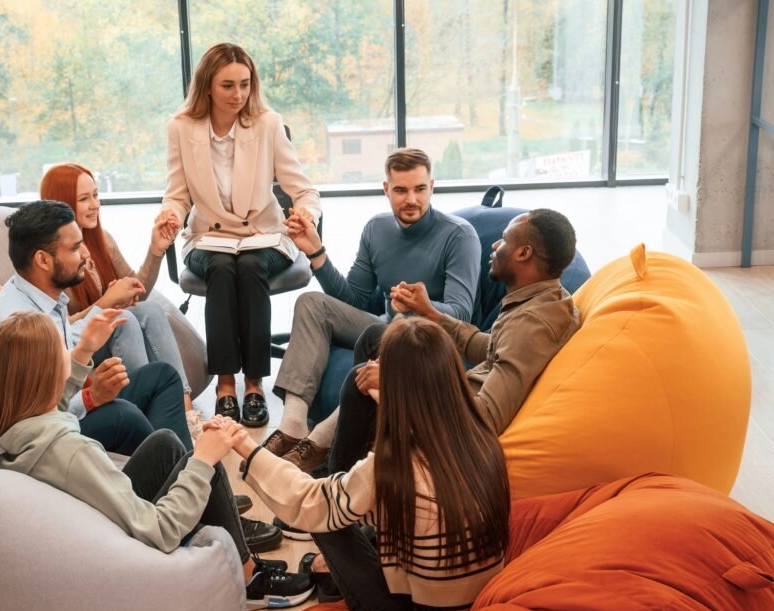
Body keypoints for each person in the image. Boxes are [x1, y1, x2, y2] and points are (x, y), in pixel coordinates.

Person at [0, 199, 282, 552]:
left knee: (162, 384)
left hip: (44, 427)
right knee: (126, 417)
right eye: (75, 247)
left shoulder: (45, 305)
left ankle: (201, 495)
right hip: (42, 441)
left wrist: (84, 352)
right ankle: (206, 506)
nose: (86, 254)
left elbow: (39, 405)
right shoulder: (9, 326)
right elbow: (23, 415)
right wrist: (89, 397)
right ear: (42, 259)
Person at [0, 310, 313, 611]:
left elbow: (51, 405)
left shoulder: (13, 429)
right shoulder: (71, 452)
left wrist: (83, 351)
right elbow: (159, 531)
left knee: (165, 443)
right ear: (45, 374)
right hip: (126, 548)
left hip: (92, 529)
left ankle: (223, 525)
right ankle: (250, 580)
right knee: (202, 465)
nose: (69, 350)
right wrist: (204, 460)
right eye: (62, 348)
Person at [232, 317, 510, 611]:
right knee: (349, 502)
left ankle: (331, 571)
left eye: (382, 366)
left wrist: (245, 446)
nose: (374, 367)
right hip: (466, 599)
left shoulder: (395, 467)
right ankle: (334, 562)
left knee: (323, 513)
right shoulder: (481, 437)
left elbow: (309, 501)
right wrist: (389, 398)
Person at [264, 148, 480, 471]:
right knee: (311, 303)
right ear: (386, 189)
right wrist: (317, 253)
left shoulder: (459, 236)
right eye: (401, 190)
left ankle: (321, 439)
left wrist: (424, 307)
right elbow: (355, 300)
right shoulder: (376, 229)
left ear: (432, 187)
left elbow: (461, 315)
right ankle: (293, 426)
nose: (412, 200)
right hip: (382, 327)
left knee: (382, 331)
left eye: (420, 189)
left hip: (431, 342)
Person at [327, 208, 582, 477]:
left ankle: (340, 487)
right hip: (461, 393)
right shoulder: (544, 300)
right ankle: (365, 457)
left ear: (523, 253)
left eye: (505, 239)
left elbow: (486, 416)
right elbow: (492, 349)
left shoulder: (532, 325)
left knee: (361, 377)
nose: (495, 245)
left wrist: (398, 383)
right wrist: (431, 313)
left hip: (454, 423)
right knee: (377, 337)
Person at [157, 42, 321, 427]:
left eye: (245, 84)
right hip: (209, 238)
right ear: (207, 86)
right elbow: (177, 194)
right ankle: (226, 383)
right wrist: (171, 215)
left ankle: (254, 384)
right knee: (220, 266)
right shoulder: (181, 128)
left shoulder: (267, 124)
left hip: (263, 235)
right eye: (228, 85)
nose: (238, 94)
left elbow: (304, 190)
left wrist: (305, 214)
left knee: (248, 266)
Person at [40, 162, 202, 439]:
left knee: (149, 309)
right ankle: (147, 407)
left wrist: (155, 250)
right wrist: (105, 303)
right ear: (62, 203)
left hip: (108, 339)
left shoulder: (102, 239)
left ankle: (186, 414)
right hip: (81, 351)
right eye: (84, 199)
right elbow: (60, 327)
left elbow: (138, 291)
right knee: (122, 318)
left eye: (96, 195)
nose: (95, 205)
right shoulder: (52, 258)